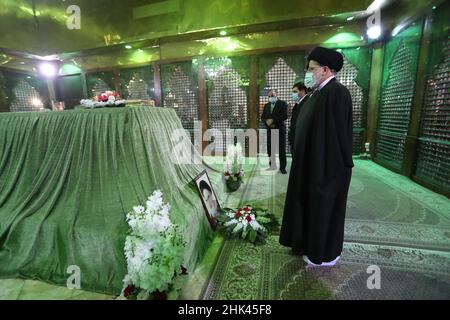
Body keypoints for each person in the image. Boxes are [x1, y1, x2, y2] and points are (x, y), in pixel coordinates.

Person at [279, 47, 354, 267]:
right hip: (310, 166)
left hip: (326, 169)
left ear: (326, 69)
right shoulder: (316, 94)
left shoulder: (338, 93)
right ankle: (304, 243)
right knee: (306, 206)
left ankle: (323, 253)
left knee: (323, 208)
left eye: (312, 69)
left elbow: (337, 138)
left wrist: (326, 171)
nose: (309, 73)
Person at [261, 89, 288, 174]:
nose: (270, 97)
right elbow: (263, 117)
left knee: (281, 150)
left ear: (276, 94)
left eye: (272, 96)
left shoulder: (282, 104)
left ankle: (282, 168)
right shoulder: (266, 105)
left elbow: (285, 116)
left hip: (279, 130)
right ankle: (272, 165)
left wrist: (273, 121)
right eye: (269, 96)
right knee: (270, 149)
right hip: (270, 130)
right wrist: (267, 123)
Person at [288, 82, 309, 151]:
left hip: (301, 140)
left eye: (295, 91)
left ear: (302, 91)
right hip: (295, 138)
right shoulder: (298, 104)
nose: (293, 94)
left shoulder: (307, 103)